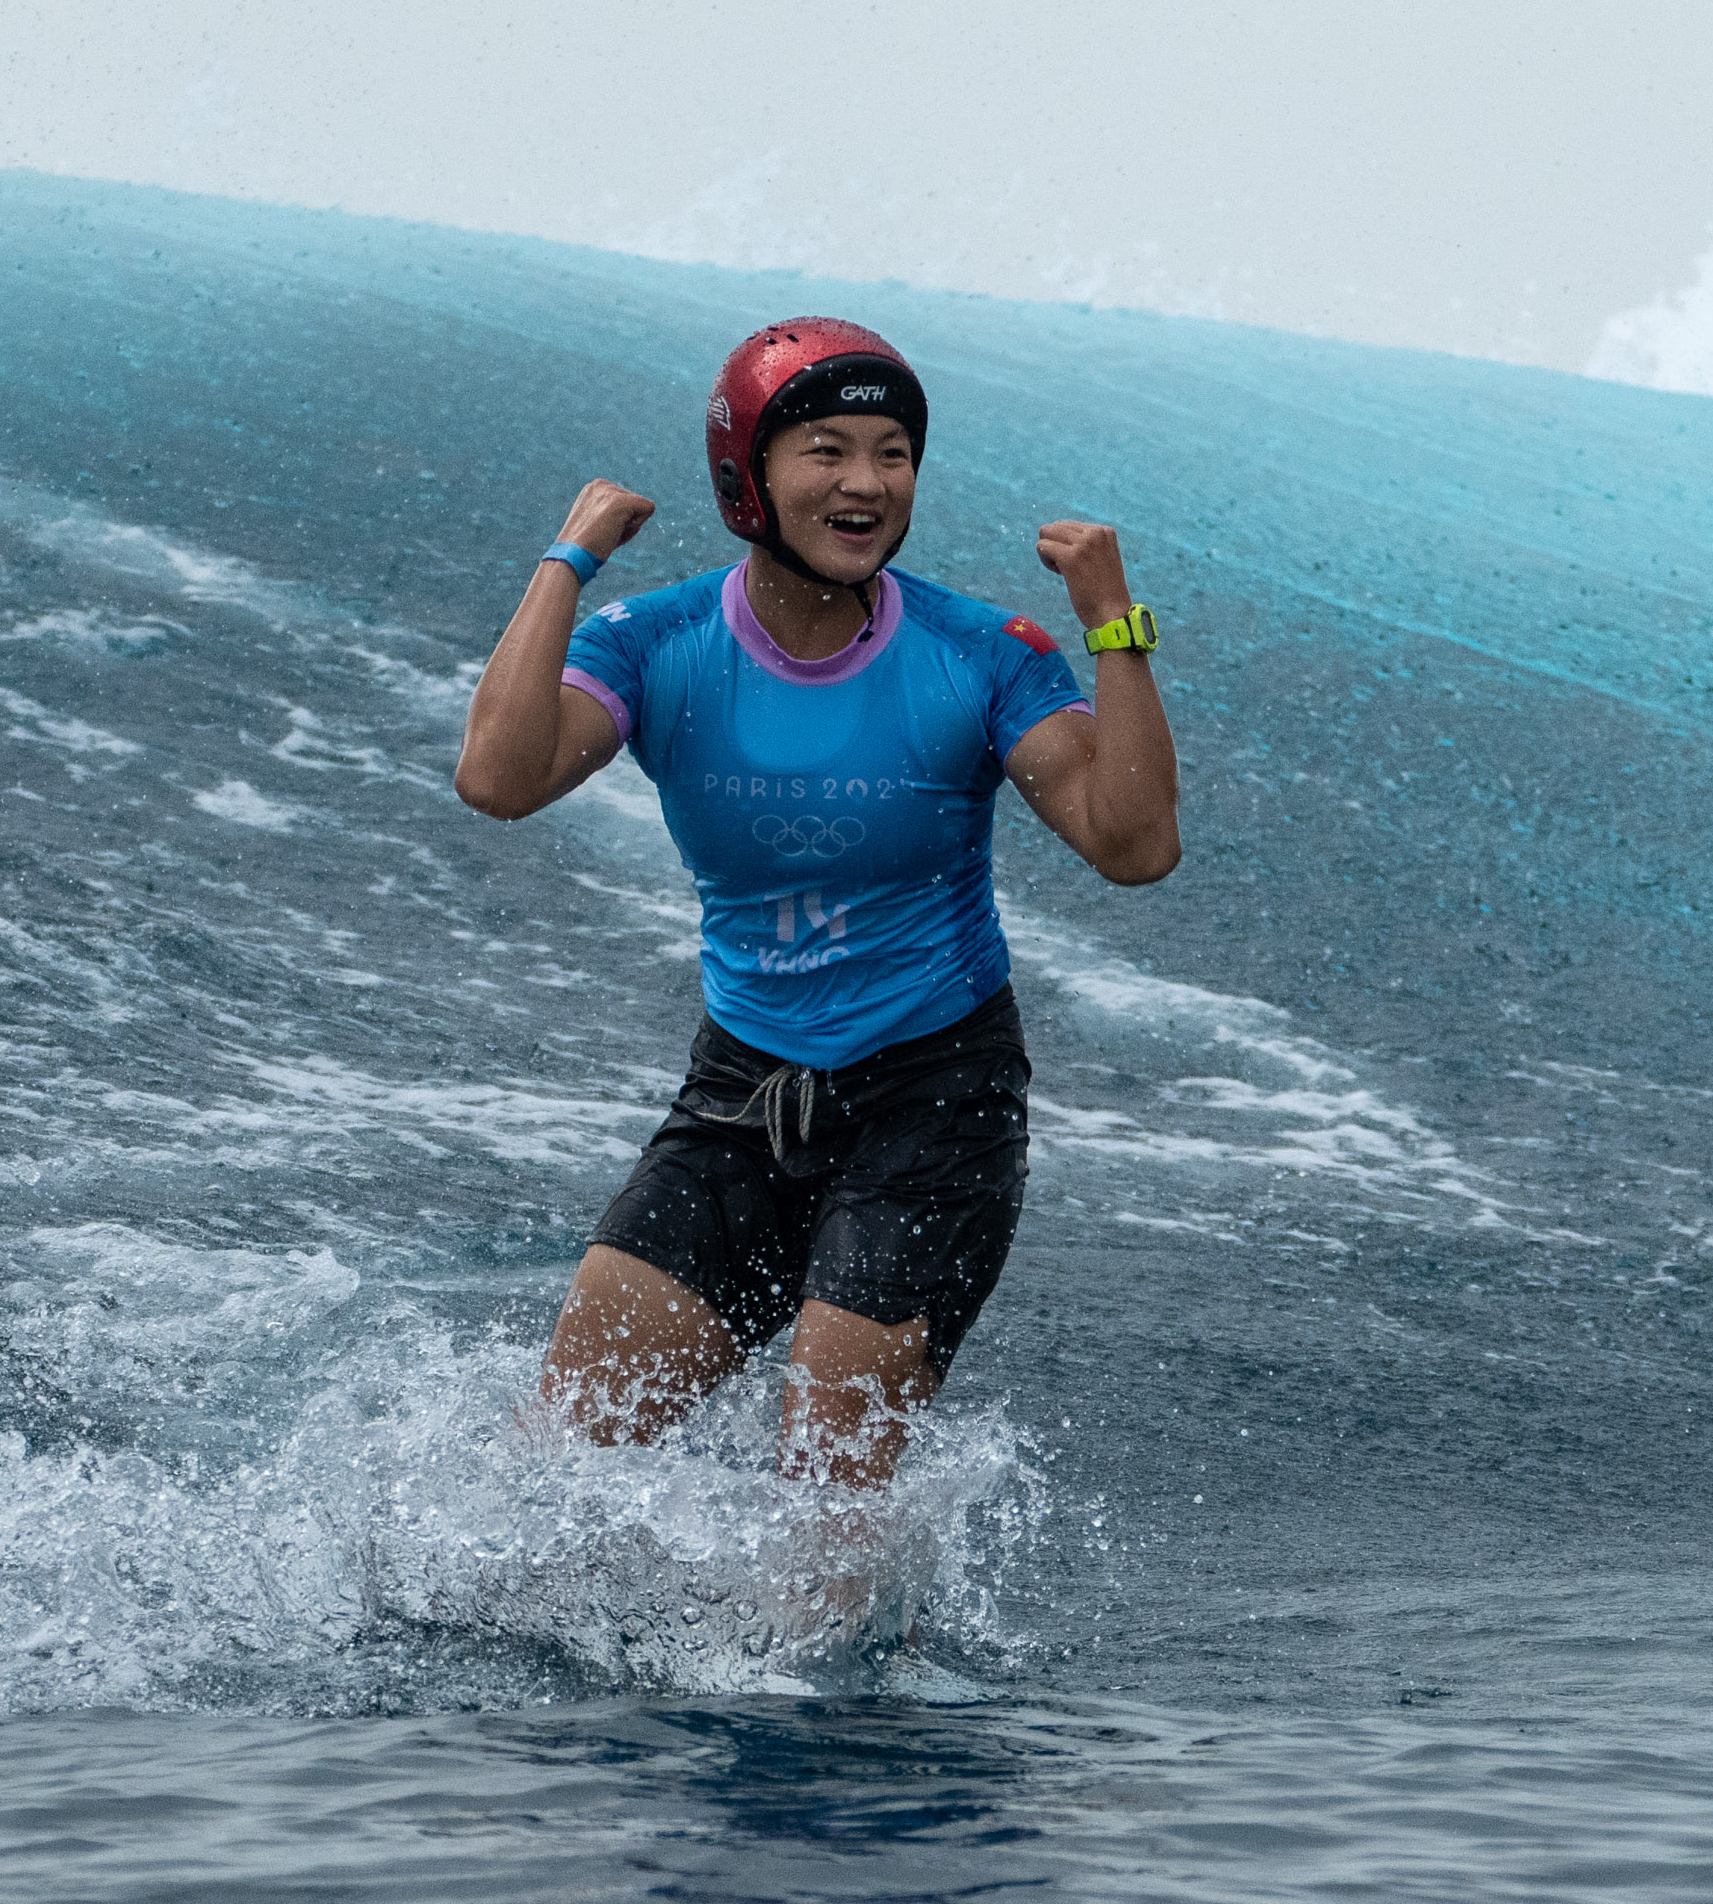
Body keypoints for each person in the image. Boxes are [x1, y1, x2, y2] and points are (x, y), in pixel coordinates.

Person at [452, 316, 1178, 1487]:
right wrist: (567, 560)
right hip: (743, 1093)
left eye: (893, 451)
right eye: (826, 449)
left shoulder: (982, 652)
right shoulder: (658, 642)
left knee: (831, 1499)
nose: (866, 482)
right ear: (748, 476)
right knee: (559, 1457)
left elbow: (1133, 844)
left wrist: (1112, 623)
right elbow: (498, 778)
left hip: (933, 1102)